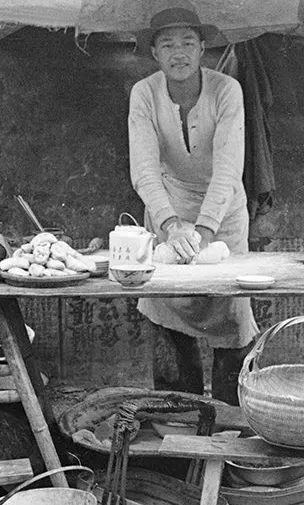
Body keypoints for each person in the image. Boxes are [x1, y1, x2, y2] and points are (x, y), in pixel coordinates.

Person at [128, 2, 258, 405]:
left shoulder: (226, 90)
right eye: (167, 45)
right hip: (169, 208)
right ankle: (176, 418)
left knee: (230, 311)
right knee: (166, 307)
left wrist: (202, 232)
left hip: (223, 216)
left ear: (203, 48)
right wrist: (170, 225)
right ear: (155, 53)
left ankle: (229, 421)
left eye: (188, 42)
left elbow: (229, 168)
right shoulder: (144, 93)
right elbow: (144, 169)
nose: (178, 52)